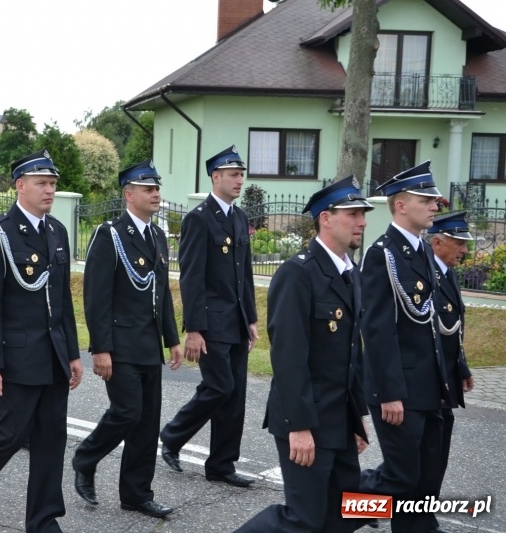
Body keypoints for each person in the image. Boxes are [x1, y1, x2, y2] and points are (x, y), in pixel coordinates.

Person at [0, 149, 83, 532]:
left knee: (51, 439)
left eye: (53, 184)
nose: (49, 191)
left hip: (54, 355)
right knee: (9, 435)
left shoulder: (56, 231)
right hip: (18, 356)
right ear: (20, 186)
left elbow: (62, 300)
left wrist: (73, 354)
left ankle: (43, 520)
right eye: (42, 183)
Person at [237, 176, 373, 532]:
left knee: (347, 512)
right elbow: (289, 356)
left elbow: (350, 356)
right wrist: (299, 426)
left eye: (363, 213)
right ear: (326, 218)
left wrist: (357, 421)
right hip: (306, 418)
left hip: (340, 420)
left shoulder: (350, 273)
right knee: (303, 518)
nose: (362, 221)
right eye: (353, 213)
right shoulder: (298, 274)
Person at [72, 160, 183, 518]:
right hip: (119, 344)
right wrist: (100, 348)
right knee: (127, 412)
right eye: (148, 189)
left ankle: (136, 493)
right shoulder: (111, 234)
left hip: (149, 344)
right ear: (129, 194)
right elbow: (96, 295)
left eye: (157, 189)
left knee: (148, 421)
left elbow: (162, 292)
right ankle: (85, 457)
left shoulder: (157, 236)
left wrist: (172, 338)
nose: (156, 195)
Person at [358, 160, 450, 532]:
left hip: (431, 386)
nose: (434, 205)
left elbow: (432, 323)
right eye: (425, 199)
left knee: (426, 476)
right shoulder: (383, 254)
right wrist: (389, 393)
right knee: (399, 476)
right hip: (401, 389)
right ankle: (334, 507)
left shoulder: (425, 251)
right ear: (400, 205)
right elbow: (378, 330)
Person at [160, 145, 259, 487]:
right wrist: (194, 329)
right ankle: (172, 437)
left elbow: (243, 273)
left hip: (235, 322)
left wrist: (251, 318)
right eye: (233, 174)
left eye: (241, 174)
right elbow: (191, 277)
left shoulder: (240, 218)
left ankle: (221, 465)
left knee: (235, 395)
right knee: (220, 387)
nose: (239, 180)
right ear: (215, 177)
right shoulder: (199, 219)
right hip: (211, 322)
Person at [427, 210, 475, 533]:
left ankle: (424, 513)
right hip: (429, 381)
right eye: (458, 242)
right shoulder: (428, 274)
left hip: (446, 379)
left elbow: (452, 329)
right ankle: (360, 504)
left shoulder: (449, 272)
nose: (464, 249)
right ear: (437, 242)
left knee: (437, 452)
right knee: (414, 459)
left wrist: (462, 366)